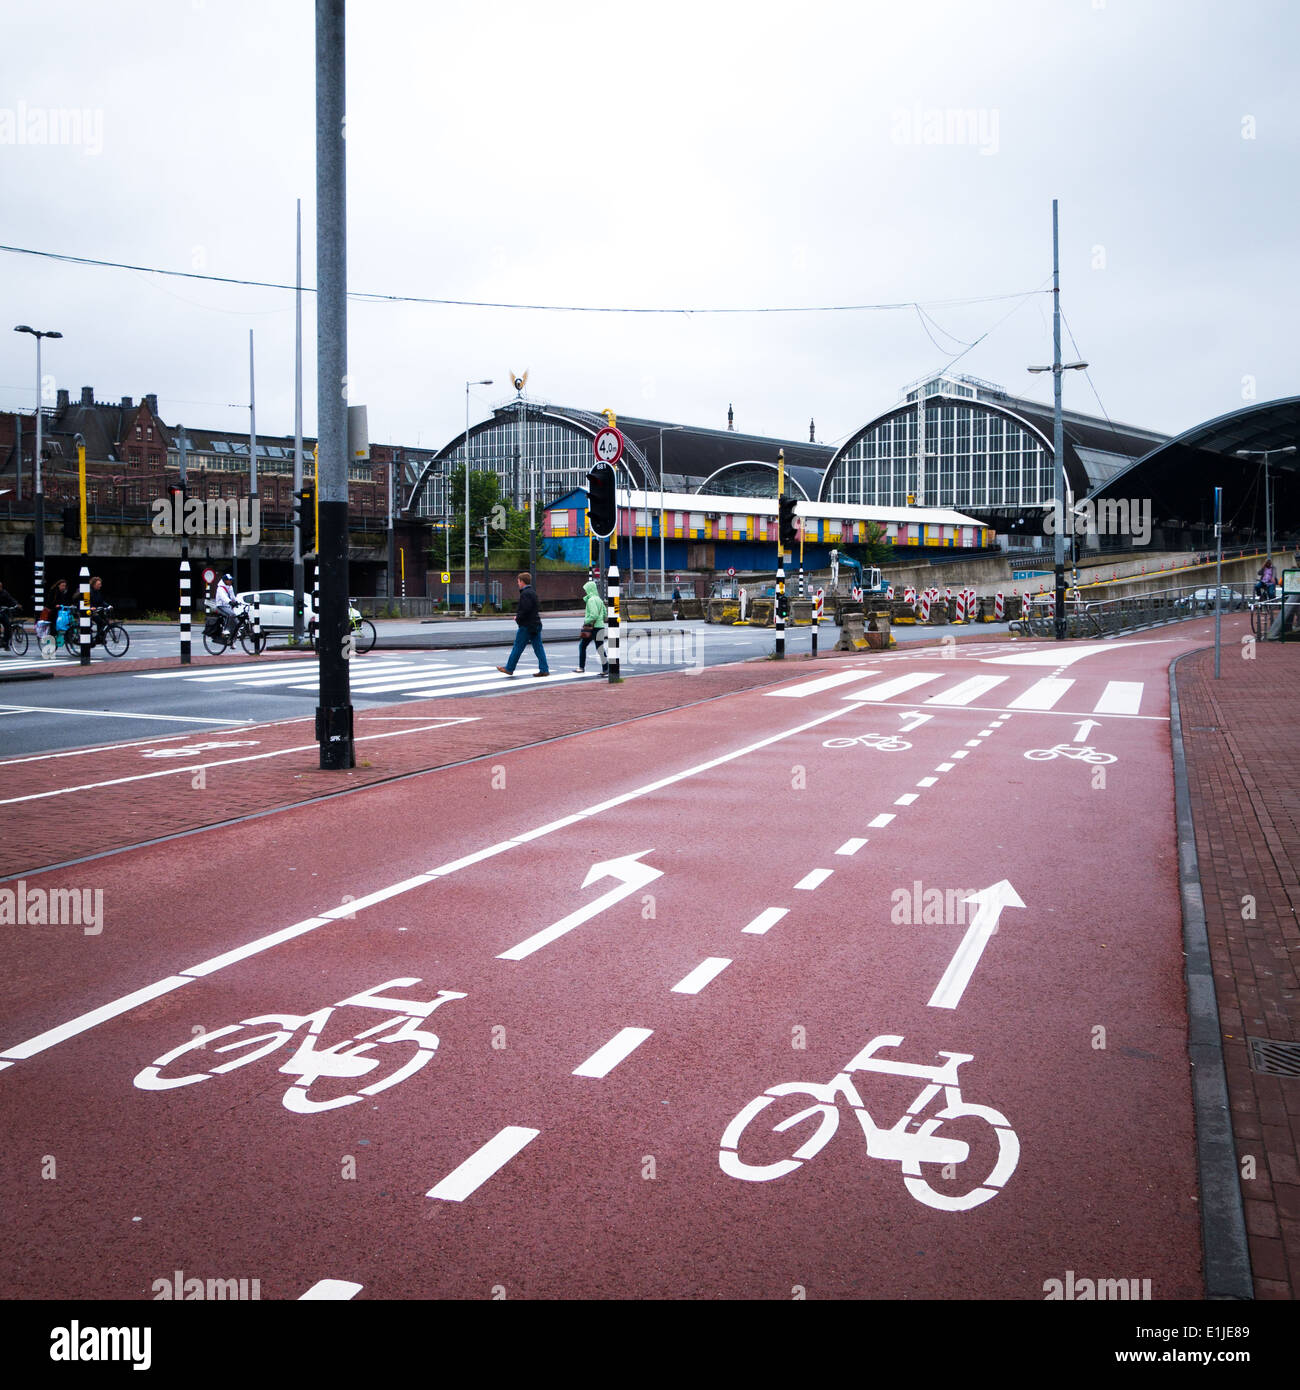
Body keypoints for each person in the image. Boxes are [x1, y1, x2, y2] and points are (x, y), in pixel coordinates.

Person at [497, 572, 549, 677]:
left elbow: (525, 609)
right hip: (535, 624)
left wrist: (518, 617)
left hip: (527, 625)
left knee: (517, 647)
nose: (518, 583)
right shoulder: (532, 592)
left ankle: (509, 668)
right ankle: (544, 669)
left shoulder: (525, 593)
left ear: (522, 581)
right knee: (538, 648)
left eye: (518, 581)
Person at [575, 579, 608, 675]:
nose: (585, 591)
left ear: (590, 589)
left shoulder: (591, 600)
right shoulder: (599, 600)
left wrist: (586, 621)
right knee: (600, 648)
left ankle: (581, 667)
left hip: (592, 628)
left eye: (586, 590)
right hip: (600, 627)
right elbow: (604, 614)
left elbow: (593, 615)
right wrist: (599, 621)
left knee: (582, 646)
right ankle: (606, 669)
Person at [214, 572, 240, 640]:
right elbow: (223, 597)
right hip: (221, 606)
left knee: (236, 622)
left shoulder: (230, 587)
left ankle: (231, 641)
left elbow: (232, 596)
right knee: (231, 614)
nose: (231, 581)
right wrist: (230, 602)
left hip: (227, 606)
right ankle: (225, 630)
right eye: (229, 580)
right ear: (225, 580)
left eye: (231, 580)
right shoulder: (220, 588)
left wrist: (236, 602)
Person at [88, 576, 111, 644]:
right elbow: (86, 602)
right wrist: (91, 607)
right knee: (98, 622)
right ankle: (92, 639)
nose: (100, 586)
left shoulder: (97, 592)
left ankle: (99, 638)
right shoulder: (89, 591)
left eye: (100, 584)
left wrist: (108, 606)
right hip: (89, 611)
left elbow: (101, 601)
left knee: (104, 621)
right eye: (98, 584)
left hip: (96, 610)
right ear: (94, 584)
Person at [0, 575, 18, 651]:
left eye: (0, 587)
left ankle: (5, 643)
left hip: (3, 612)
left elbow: (10, 599)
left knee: (8, 626)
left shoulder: (4, 593)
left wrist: (16, 604)